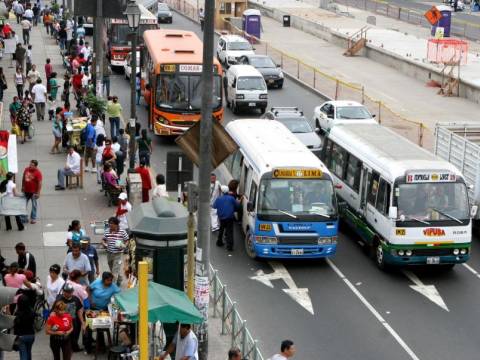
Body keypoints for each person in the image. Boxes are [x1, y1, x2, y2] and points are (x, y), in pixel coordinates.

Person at [52, 283, 85, 353]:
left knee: (75, 336)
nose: (69, 293)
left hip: (74, 321)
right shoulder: (59, 300)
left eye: (71, 292)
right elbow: (54, 312)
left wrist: (82, 322)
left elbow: (79, 311)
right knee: (65, 337)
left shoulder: (75, 299)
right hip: (63, 322)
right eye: (67, 292)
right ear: (63, 291)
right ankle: (66, 350)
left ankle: (74, 347)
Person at [102, 217, 129, 285]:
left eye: (112, 223)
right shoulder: (107, 231)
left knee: (114, 271)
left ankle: (113, 286)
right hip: (109, 253)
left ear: (116, 224)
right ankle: (119, 279)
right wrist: (104, 244)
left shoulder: (122, 231)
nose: (110, 225)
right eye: (109, 223)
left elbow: (127, 240)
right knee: (112, 269)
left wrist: (124, 246)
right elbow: (103, 239)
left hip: (118, 254)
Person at [213, 186, 240, 251]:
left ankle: (219, 242)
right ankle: (229, 246)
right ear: (228, 191)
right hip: (229, 217)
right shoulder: (231, 198)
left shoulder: (218, 199)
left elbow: (214, 206)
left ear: (222, 192)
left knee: (221, 230)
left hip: (221, 217)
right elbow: (237, 206)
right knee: (229, 232)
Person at [14, 294, 35, 360]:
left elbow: (15, 324)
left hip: (21, 336)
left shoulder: (18, 313)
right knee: (28, 353)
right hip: (31, 335)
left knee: (23, 355)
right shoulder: (32, 312)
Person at [22, 159, 42, 224]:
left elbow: (40, 183)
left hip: (33, 192)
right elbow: (23, 178)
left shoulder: (38, 173)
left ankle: (33, 218)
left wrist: (38, 193)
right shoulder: (26, 169)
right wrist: (22, 186)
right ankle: (24, 218)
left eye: (32, 165)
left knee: (34, 205)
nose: (30, 166)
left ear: (36, 166)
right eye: (30, 164)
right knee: (23, 205)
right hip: (26, 191)